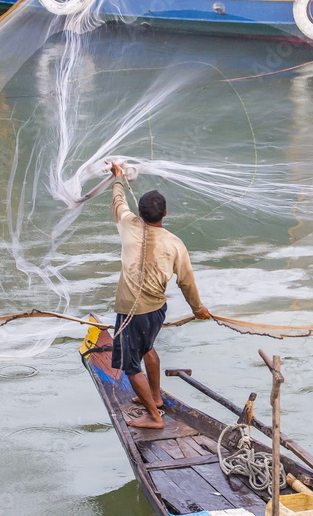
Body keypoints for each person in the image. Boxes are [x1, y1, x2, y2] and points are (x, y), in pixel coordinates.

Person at [108, 161, 211, 429]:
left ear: (140, 213)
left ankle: (154, 417)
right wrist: (198, 309)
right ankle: (156, 398)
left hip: (131, 311)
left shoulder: (128, 224)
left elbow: (118, 202)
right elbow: (186, 282)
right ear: (165, 212)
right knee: (148, 348)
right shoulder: (175, 243)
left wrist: (118, 178)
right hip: (156, 310)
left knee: (130, 367)